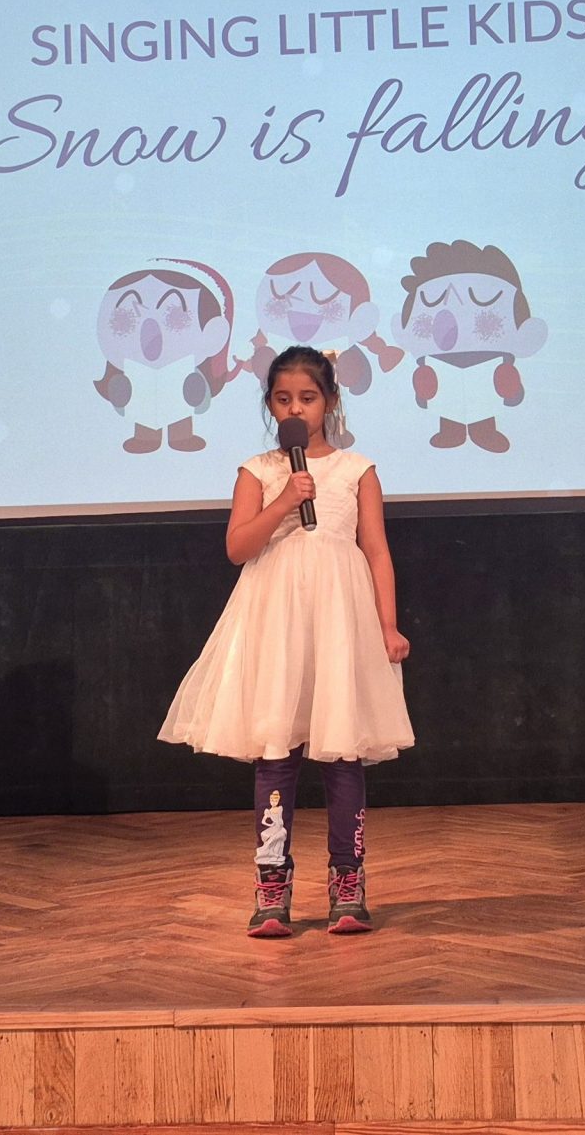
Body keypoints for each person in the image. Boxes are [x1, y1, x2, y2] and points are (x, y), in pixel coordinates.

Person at [158, 345, 414, 936]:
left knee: (343, 750)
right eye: (282, 399)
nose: (295, 408)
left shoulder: (357, 470)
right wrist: (284, 500)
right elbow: (238, 548)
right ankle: (272, 884)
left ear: (330, 401)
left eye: (307, 397)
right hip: (275, 623)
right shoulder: (259, 471)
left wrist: (387, 624)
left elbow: (376, 551)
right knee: (276, 750)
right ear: (270, 404)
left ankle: (347, 883)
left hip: (339, 622)